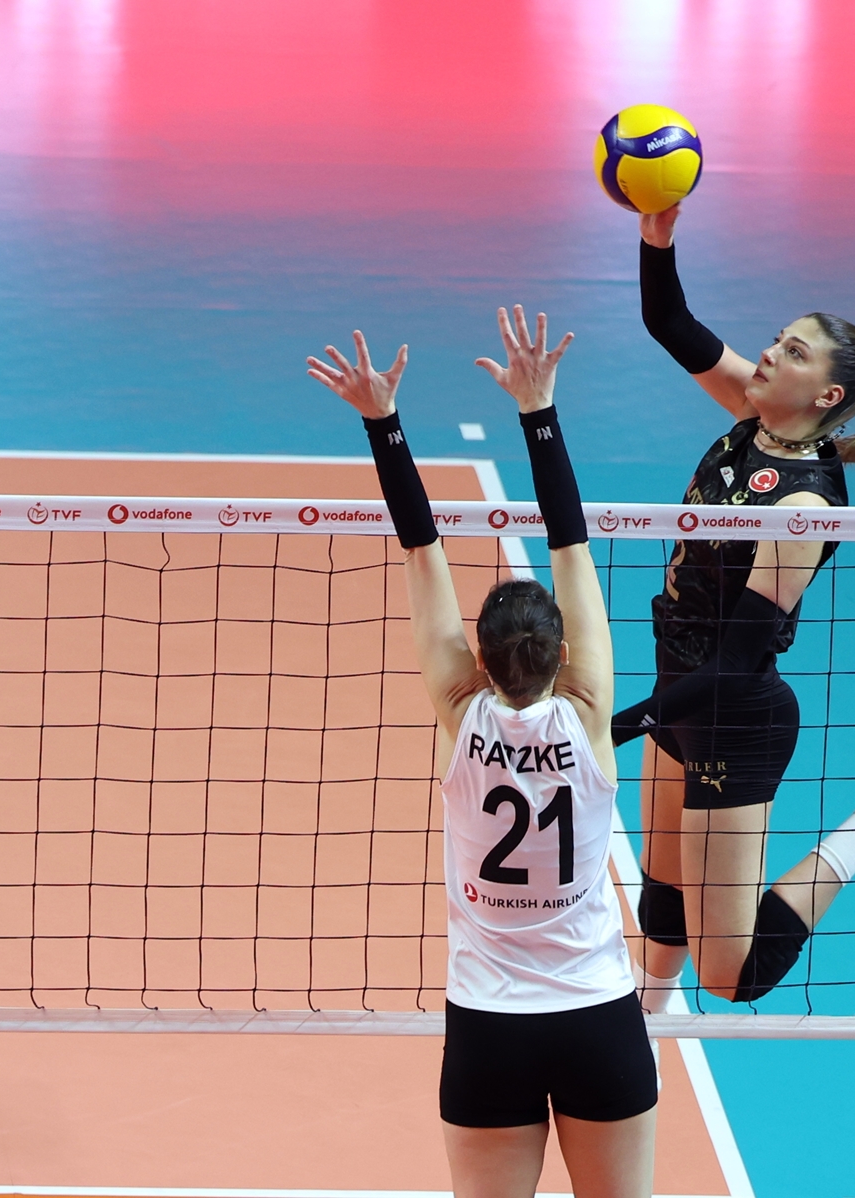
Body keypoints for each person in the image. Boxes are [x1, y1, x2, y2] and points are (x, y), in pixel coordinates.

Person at [308, 307, 655, 1198]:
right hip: (597, 1018)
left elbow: (421, 551)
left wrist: (382, 423)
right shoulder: (589, 713)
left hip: (489, 1028)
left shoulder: (460, 713)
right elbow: (571, 545)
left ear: (480, 659)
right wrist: (539, 410)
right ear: (564, 654)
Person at [611, 202, 855, 1011]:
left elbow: (737, 660)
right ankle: (640, 1039)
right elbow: (668, 321)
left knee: (731, 975)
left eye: (793, 351)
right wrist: (657, 236)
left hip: (732, 714)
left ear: (825, 394)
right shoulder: (754, 419)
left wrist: (618, 726)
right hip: (680, 687)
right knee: (662, 907)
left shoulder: (803, 506)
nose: (768, 353)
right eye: (779, 339)